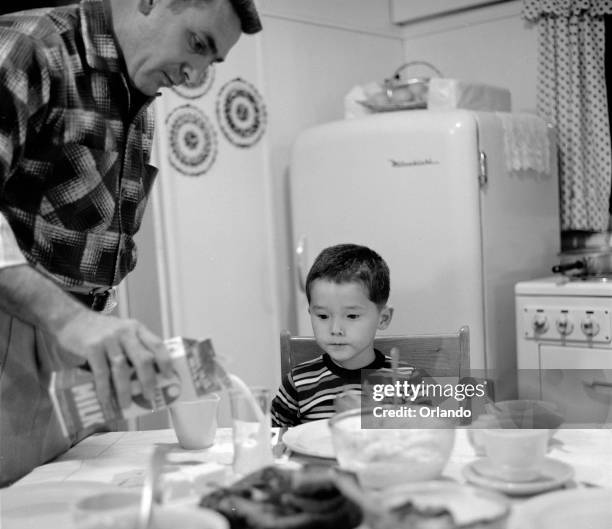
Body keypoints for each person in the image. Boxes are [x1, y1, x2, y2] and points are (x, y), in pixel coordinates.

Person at [0, 0, 262, 485]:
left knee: (93, 523)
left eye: (210, 62)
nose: (193, 75)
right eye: (197, 43)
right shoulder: (33, 48)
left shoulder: (138, 94)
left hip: (82, 348)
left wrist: (111, 334)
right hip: (15, 347)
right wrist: (71, 320)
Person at [272, 244, 429, 427]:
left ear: (383, 318)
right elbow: (274, 440)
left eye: (352, 316)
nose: (336, 329)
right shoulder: (298, 383)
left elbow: (435, 433)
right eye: (323, 316)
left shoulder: (409, 380)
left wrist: (371, 414)